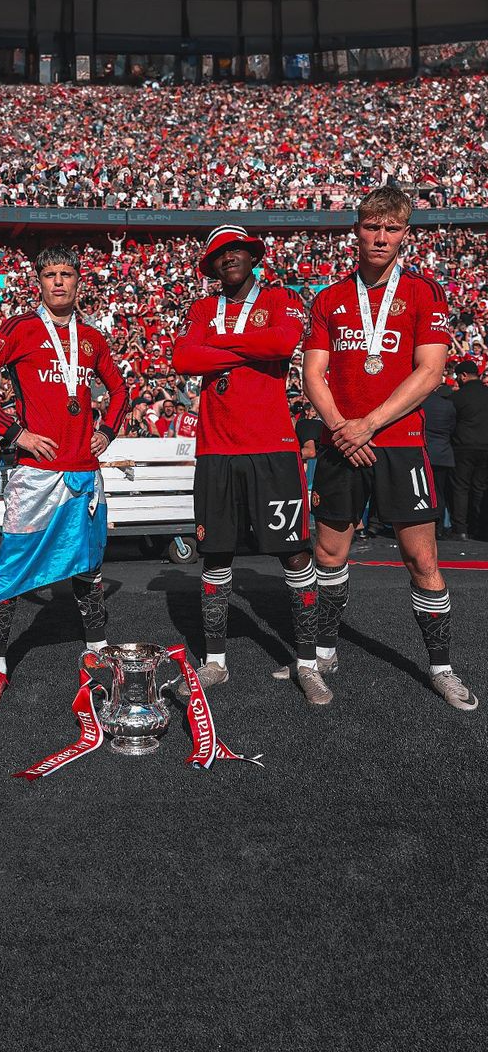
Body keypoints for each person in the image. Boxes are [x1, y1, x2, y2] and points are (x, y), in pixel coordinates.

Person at [302, 186, 477, 709]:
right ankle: (326, 651)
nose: (380, 237)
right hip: (341, 443)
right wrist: (341, 427)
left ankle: (442, 668)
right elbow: (313, 374)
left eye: (391, 228)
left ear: (405, 235)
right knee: (328, 554)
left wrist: (368, 424)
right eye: (371, 226)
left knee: (421, 558)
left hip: (398, 444)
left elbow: (430, 372)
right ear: (356, 229)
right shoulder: (330, 298)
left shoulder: (424, 293)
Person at [0, 243, 129, 707]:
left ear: (78, 282)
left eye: (66, 274)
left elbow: (120, 388)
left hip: (83, 473)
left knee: (89, 568)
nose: (58, 281)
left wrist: (107, 430)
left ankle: (97, 652)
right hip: (35, 475)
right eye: (50, 273)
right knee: (10, 569)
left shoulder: (92, 338)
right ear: (39, 281)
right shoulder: (19, 329)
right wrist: (16, 433)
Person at [171, 225, 330, 704]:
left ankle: (306, 662)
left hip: (273, 447)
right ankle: (215, 662)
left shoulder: (280, 298)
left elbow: (283, 345)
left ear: (251, 256)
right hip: (216, 450)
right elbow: (183, 357)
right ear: (212, 266)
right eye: (219, 255)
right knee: (216, 555)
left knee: (296, 553)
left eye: (236, 251)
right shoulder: (201, 308)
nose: (228, 259)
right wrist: (246, 350)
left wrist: (217, 353)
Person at [449, 359, 488, 540]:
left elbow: (449, 422)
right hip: (485, 447)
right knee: (480, 488)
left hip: (463, 447)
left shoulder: (457, 397)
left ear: (463, 376)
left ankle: (460, 529)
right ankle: (478, 527)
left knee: (461, 489)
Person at [423, 377, 457, 537]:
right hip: (442, 453)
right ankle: (439, 528)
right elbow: (452, 428)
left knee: (422, 493)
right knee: (440, 493)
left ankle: (423, 526)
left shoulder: (421, 404)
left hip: (424, 452)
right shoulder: (447, 405)